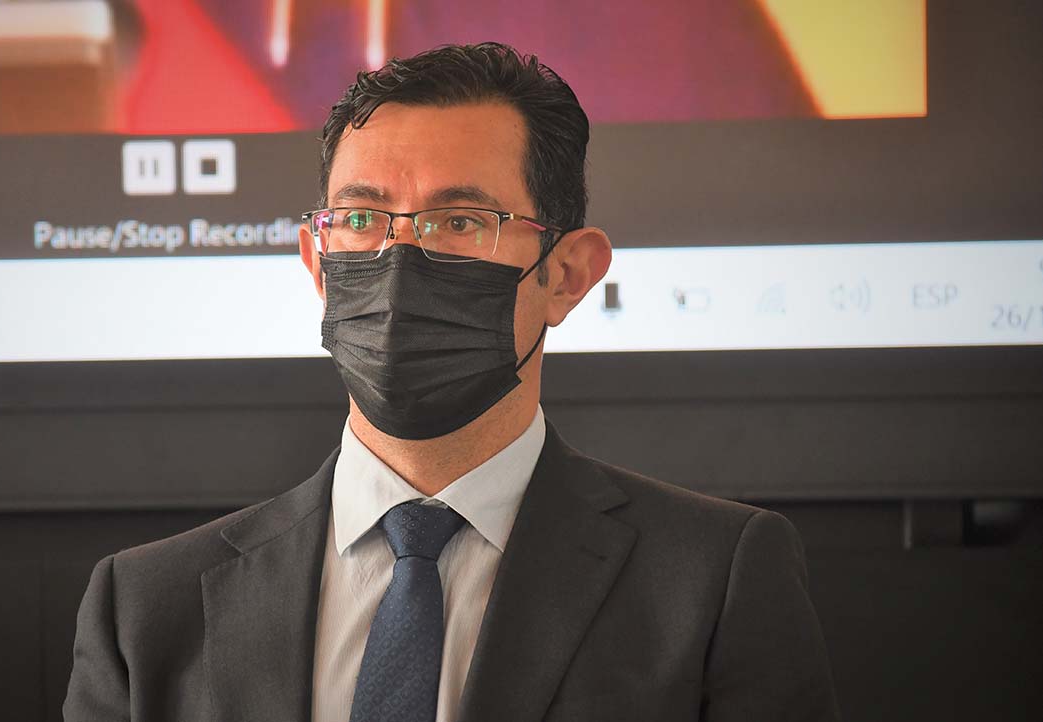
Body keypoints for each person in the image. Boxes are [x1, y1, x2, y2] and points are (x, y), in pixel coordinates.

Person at [64, 42, 840, 722]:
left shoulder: (712, 580)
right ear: (316, 264)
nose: (397, 264)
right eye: (362, 220)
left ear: (568, 276)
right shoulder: (145, 608)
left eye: (459, 222)